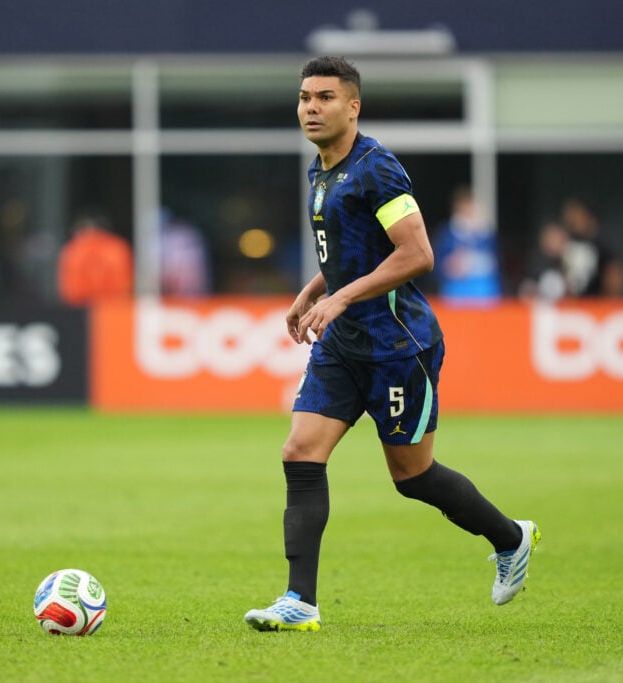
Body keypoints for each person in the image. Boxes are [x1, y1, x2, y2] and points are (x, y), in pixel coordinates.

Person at [244, 56, 539, 633]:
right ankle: (299, 600)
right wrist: (311, 293)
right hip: (343, 343)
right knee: (300, 452)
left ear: (353, 106)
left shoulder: (378, 169)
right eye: (305, 97)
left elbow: (417, 255)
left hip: (398, 345)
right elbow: (351, 256)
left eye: (325, 97)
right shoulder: (321, 171)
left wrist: (340, 299)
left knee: (412, 477)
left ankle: (511, 537)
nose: (311, 107)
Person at [432, 186, 502, 303]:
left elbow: (496, 262)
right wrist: (449, 266)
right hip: (456, 289)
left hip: (483, 289)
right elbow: (436, 263)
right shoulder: (447, 233)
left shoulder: (485, 233)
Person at [56, 214, 133, 306]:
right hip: (114, 306)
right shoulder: (118, 247)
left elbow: (69, 289)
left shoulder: (72, 249)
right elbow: (124, 282)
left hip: (80, 307)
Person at [560, 197, 623, 297]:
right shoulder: (568, 241)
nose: (572, 221)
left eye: (576, 216)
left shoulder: (601, 241)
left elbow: (614, 271)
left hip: (597, 300)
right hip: (574, 302)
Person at [518, 221, 569, 302]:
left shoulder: (564, 263)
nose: (562, 242)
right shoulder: (535, 265)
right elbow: (526, 294)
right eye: (557, 238)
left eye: (564, 239)